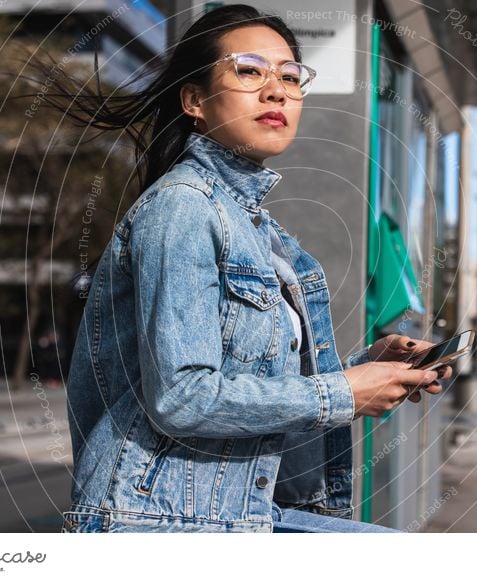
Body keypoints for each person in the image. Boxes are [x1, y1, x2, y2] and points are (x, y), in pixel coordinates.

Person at [54, 4, 452, 533]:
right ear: (194, 100)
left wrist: (364, 367)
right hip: (159, 521)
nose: (277, 91)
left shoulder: (259, 230)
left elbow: (253, 381)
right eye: (249, 71)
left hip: (237, 512)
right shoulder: (182, 207)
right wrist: (344, 392)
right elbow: (183, 396)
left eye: (291, 77)